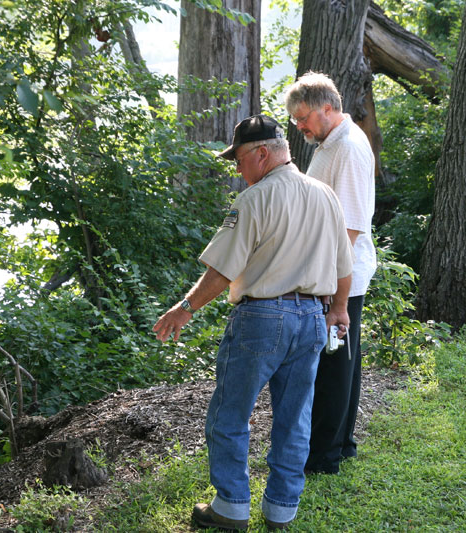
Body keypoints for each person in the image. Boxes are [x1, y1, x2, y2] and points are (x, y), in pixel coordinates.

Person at [152, 114, 354, 531]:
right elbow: (343, 266)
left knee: (230, 414)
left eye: (240, 160)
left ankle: (231, 507)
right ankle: (281, 509)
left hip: (262, 319)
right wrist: (338, 309)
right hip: (313, 319)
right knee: (295, 419)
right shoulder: (325, 196)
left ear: (263, 153)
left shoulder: (254, 200)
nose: (238, 170)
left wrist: (183, 309)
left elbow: (223, 270)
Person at [283, 72, 377, 475]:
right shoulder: (329, 142)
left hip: (340, 273)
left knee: (332, 366)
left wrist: (330, 288)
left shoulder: (350, 149)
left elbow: (351, 227)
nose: (299, 126)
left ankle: (323, 456)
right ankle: (342, 444)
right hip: (331, 270)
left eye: (302, 117)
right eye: (293, 121)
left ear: (328, 108)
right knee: (343, 361)